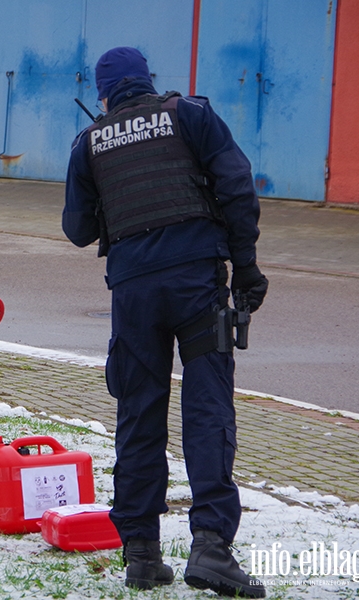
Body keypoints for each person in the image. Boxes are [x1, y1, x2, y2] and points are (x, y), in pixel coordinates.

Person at [63, 47, 269, 598]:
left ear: (104, 94)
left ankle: (141, 553)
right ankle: (211, 548)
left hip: (133, 295)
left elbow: (78, 230)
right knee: (206, 407)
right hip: (197, 283)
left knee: (138, 411)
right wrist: (245, 266)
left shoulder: (90, 142)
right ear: (148, 81)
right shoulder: (190, 115)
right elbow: (237, 185)